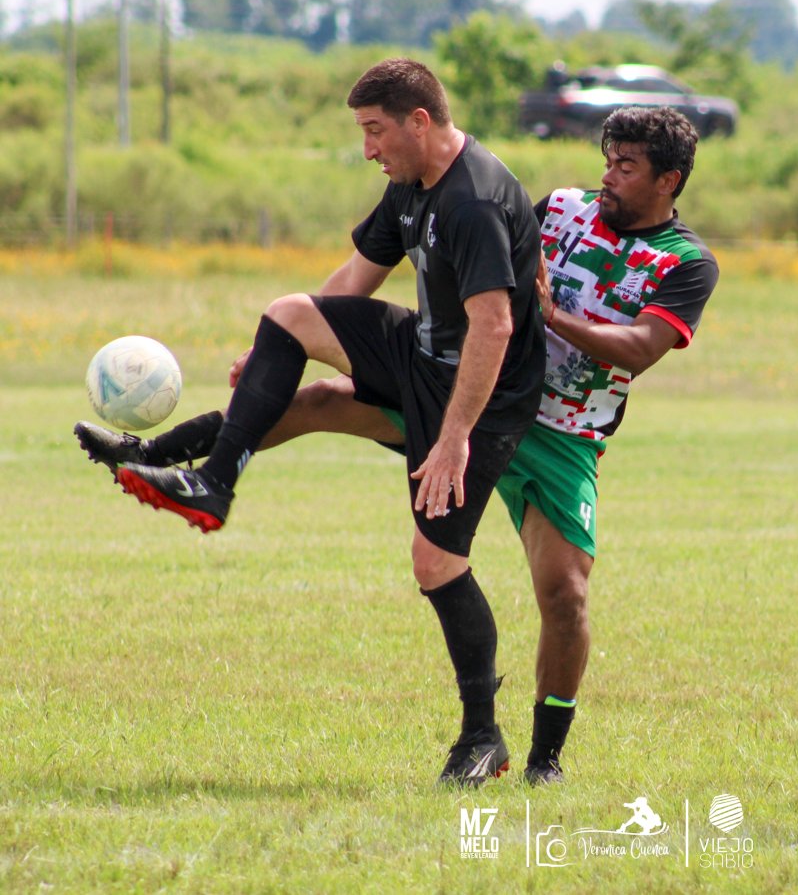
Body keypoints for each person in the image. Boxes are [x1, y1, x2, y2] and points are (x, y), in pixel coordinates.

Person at [76, 105, 719, 785]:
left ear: (669, 181)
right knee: (321, 402)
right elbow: (488, 280)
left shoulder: (686, 263)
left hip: (562, 436)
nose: (608, 176)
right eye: (608, 161)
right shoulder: (560, 208)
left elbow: (640, 347)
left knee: (565, 596)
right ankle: (154, 455)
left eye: (627, 167)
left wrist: (554, 315)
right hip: (471, 394)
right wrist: (288, 347)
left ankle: (545, 758)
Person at [104, 57, 546, 787]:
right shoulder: (411, 184)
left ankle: (483, 738)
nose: (368, 149)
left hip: (483, 398)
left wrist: (453, 439)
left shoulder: (473, 200)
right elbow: (351, 283)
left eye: (375, 131)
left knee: (435, 563)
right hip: (421, 357)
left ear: (420, 122)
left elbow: (494, 327)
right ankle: (205, 478)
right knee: (290, 316)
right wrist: (280, 345)